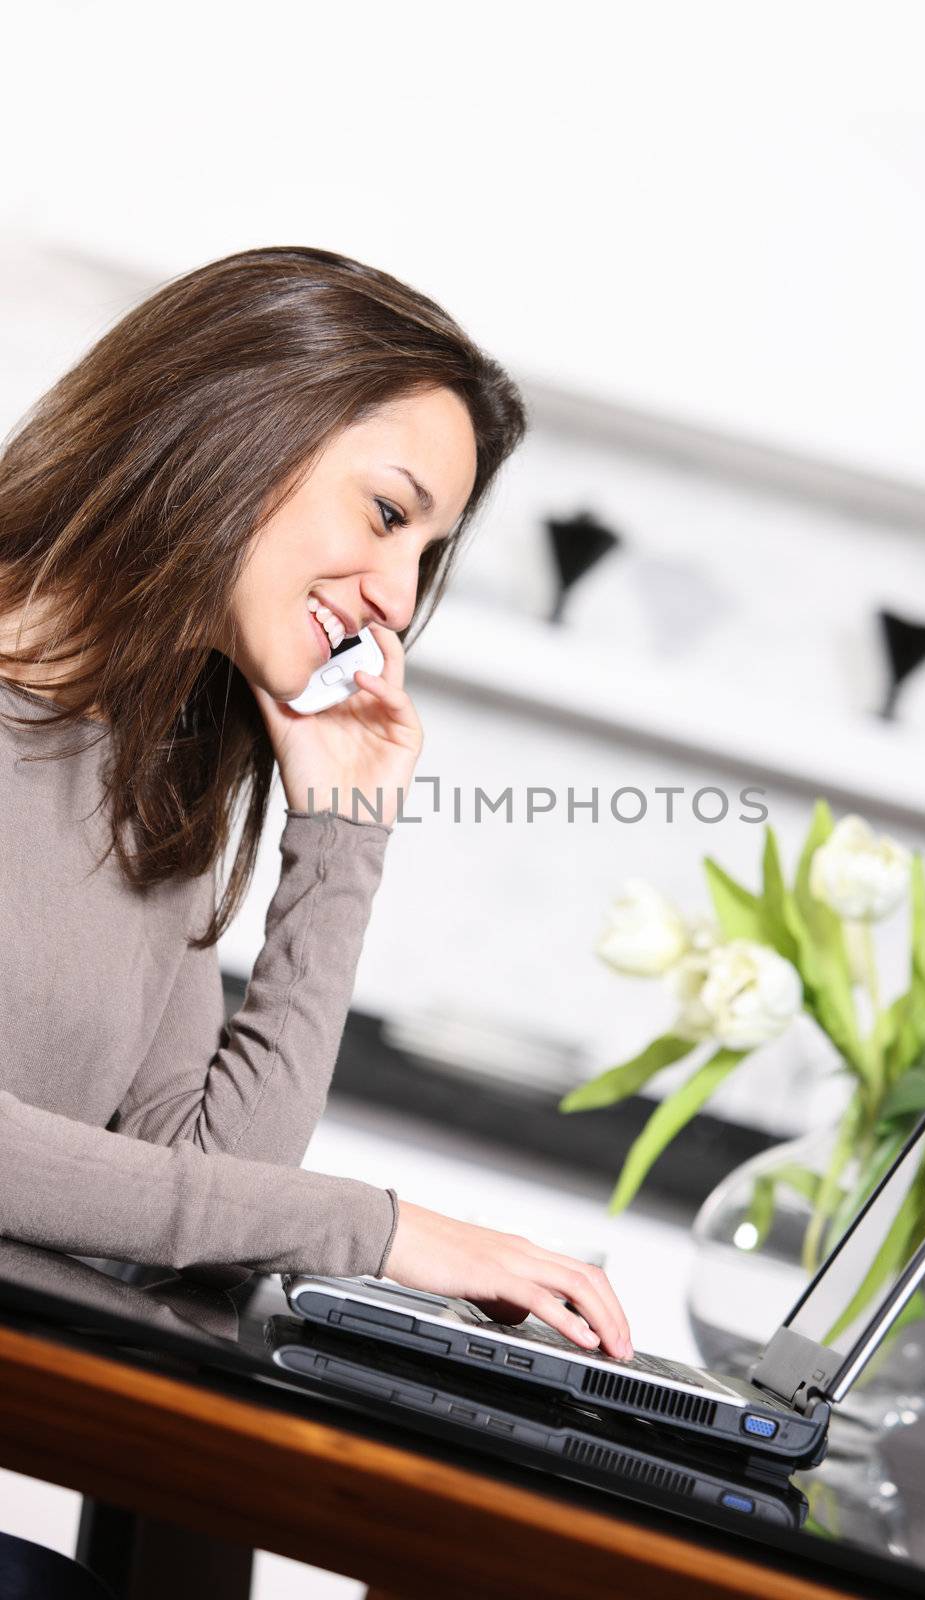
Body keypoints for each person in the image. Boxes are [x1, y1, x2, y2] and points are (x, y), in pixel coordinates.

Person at [0, 245, 633, 1363]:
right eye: (389, 514)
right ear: (232, 422)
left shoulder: (153, 787)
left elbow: (211, 1192)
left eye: (425, 553)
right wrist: (376, 1231)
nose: (396, 597)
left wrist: (341, 835)